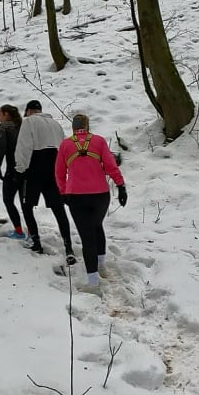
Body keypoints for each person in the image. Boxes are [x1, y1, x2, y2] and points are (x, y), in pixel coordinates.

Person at [55, 114, 126, 293]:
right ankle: (101, 266)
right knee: (97, 226)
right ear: (88, 127)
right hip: (101, 195)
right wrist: (121, 186)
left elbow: (59, 172)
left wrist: (63, 192)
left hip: (76, 196)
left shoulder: (65, 145)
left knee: (87, 237)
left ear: (73, 128)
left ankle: (93, 282)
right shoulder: (99, 141)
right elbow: (111, 166)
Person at [13, 100, 74, 262]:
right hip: (54, 168)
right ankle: (68, 247)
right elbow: (64, 148)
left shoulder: (29, 122)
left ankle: (36, 242)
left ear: (29, 111)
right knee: (59, 209)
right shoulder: (55, 124)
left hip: (35, 168)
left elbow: (24, 147)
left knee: (27, 206)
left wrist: (19, 170)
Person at [0, 104, 27, 239]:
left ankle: (19, 231)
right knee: (25, 203)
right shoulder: (24, 126)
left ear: (6, 114)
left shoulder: (4, 127)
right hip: (26, 169)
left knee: (8, 200)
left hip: (12, 169)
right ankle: (33, 232)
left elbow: (2, 147)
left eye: (0, 114)